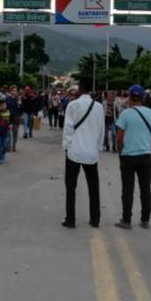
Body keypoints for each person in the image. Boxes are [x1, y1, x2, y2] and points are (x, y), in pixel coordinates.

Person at [115, 85, 151, 230]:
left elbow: (119, 138)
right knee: (145, 188)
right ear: (143, 97)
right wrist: (149, 148)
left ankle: (126, 220)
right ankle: (145, 220)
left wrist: (121, 152)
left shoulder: (125, 114)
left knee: (127, 189)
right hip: (145, 157)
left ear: (129, 97)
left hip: (128, 157)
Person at [61, 77, 105, 228]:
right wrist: (98, 148)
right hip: (91, 153)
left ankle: (70, 219)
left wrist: (66, 146)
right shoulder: (99, 107)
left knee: (71, 187)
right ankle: (95, 219)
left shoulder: (73, 105)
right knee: (93, 187)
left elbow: (68, 128)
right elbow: (101, 129)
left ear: (80, 88)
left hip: (74, 152)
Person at [5, 86, 22, 152]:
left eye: (15, 91)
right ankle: (8, 146)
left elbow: (21, 110)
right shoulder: (7, 99)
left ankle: (14, 146)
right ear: (10, 91)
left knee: (15, 133)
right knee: (8, 133)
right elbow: (5, 108)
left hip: (16, 118)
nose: (14, 92)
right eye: (13, 90)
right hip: (8, 118)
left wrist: (20, 104)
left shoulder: (18, 99)